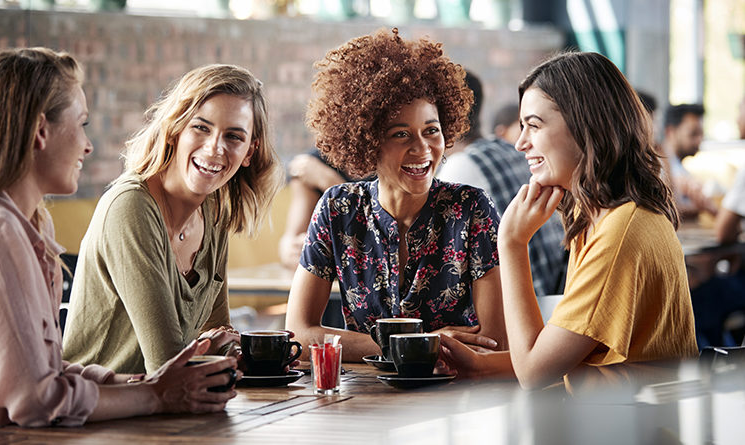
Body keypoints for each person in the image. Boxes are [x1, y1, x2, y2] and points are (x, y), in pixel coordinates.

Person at [0, 48, 238, 442]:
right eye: (81, 124)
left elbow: (47, 372)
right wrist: (154, 395)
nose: (88, 145)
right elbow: (36, 400)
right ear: (41, 132)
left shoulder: (26, 226)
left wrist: (140, 382)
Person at [436, 51, 698, 390]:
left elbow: (533, 372)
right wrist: (480, 365)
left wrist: (512, 243)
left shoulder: (620, 232)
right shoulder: (599, 217)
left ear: (585, 125)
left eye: (534, 125)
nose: (520, 143)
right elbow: (568, 356)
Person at [285, 28, 507, 363]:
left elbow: (494, 343)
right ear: (368, 141)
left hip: (454, 395)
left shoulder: (471, 209)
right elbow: (299, 334)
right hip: (365, 397)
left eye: (431, 131)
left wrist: (368, 346)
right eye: (400, 134)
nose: (422, 149)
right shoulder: (338, 208)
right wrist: (420, 343)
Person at [62, 64, 283, 374]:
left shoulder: (215, 210)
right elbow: (166, 366)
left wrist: (235, 350)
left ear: (250, 151)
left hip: (172, 409)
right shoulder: (131, 208)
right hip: (100, 412)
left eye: (233, 136)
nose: (214, 149)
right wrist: (219, 349)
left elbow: (218, 331)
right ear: (176, 128)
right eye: (201, 127)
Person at [436, 71, 566, 297]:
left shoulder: (459, 169)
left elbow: (446, 273)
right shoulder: (509, 151)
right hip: (554, 298)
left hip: (522, 310)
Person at [278, 149, 356, 269]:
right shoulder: (312, 166)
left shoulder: (388, 160)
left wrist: (329, 181)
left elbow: (376, 235)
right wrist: (292, 250)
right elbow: (291, 241)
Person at [661, 103, 716, 218]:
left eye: (701, 134)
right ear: (670, 132)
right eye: (693, 134)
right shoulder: (657, 165)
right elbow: (666, 210)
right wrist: (706, 207)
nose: (699, 140)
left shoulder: (682, 171)